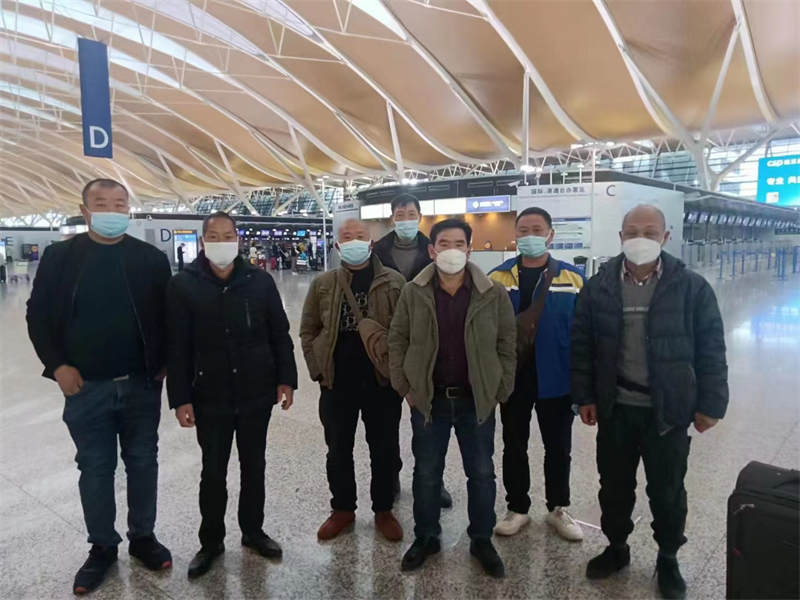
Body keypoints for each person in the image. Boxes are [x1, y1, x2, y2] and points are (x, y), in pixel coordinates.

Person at [571, 204, 728, 600]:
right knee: (614, 486)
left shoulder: (691, 288)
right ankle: (616, 547)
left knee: (668, 490)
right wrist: (584, 396)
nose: (640, 239)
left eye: (650, 232)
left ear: (666, 237)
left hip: (668, 412)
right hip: (616, 409)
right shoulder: (599, 286)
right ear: (621, 237)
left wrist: (712, 404)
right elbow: (582, 346)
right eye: (633, 232)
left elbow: (711, 348)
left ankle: (668, 556)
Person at [26, 178, 173, 595]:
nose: (112, 210)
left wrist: (165, 363)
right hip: (85, 387)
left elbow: (169, 316)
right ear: (85, 210)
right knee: (94, 467)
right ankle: (102, 546)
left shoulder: (149, 259)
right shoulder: (61, 257)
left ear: (129, 209)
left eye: (119, 204)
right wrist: (57, 366)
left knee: (143, 461)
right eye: (102, 203)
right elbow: (38, 315)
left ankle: (143, 537)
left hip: (141, 384)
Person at [165, 212, 297, 579]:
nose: (221, 242)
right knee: (213, 471)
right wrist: (180, 397)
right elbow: (176, 346)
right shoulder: (183, 285)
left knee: (254, 466)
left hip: (257, 391)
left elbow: (279, 333)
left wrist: (286, 379)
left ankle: (253, 531)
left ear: (238, 239)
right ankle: (211, 542)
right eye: (214, 236)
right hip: (210, 395)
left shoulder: (259, 281)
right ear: (203, 241)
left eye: (228, 235)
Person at [388, 218, 516, 578]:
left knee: (482, 473)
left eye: (459, 244)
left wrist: (499, 389)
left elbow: (507, 342)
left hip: (477, 401)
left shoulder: (492, 293)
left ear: (469, 250)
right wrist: (406, 388)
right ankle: (426, 536)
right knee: (427, 473)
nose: (452, 250)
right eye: (444, 244)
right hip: (430, 401)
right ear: (432, 250)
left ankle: (481, 539)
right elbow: (397, 339)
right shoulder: (414, 292)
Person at [299, 219, 406, 543]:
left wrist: (400, 374)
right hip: (337, 382)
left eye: (360, 236)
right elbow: (308, 329)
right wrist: (318, 369)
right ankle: (342, 508)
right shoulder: (323, 283)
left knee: (384, 448)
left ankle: (383, 509)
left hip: (381, 382)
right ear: (337, 245)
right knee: (337, 449)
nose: (354, 241)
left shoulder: (394, 282)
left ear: (371, 244)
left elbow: (406, 331)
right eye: (347, 237)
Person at [489, 207, 585, 541]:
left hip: (557, 379)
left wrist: (583, 385)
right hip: (514, 378)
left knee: (558, 447)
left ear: (550, 235)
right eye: (523, 229)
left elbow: (584, 335)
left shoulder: (573, 279)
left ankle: (558, 508)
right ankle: (517, 507)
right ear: (515, 235)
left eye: (537, 229)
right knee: (513, 444)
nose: (530, 235)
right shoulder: (497, 278)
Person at [373, 193, 453, 509]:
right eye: (400, 214)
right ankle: (391, 477)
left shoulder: (432, 248)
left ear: (419, 216)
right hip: (390, 344)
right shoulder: (377, 251)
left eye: (410, 213)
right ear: (392, 217)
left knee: (429, 421)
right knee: (386, 421)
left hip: (427, 343)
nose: (405, 219)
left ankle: (433, 480)